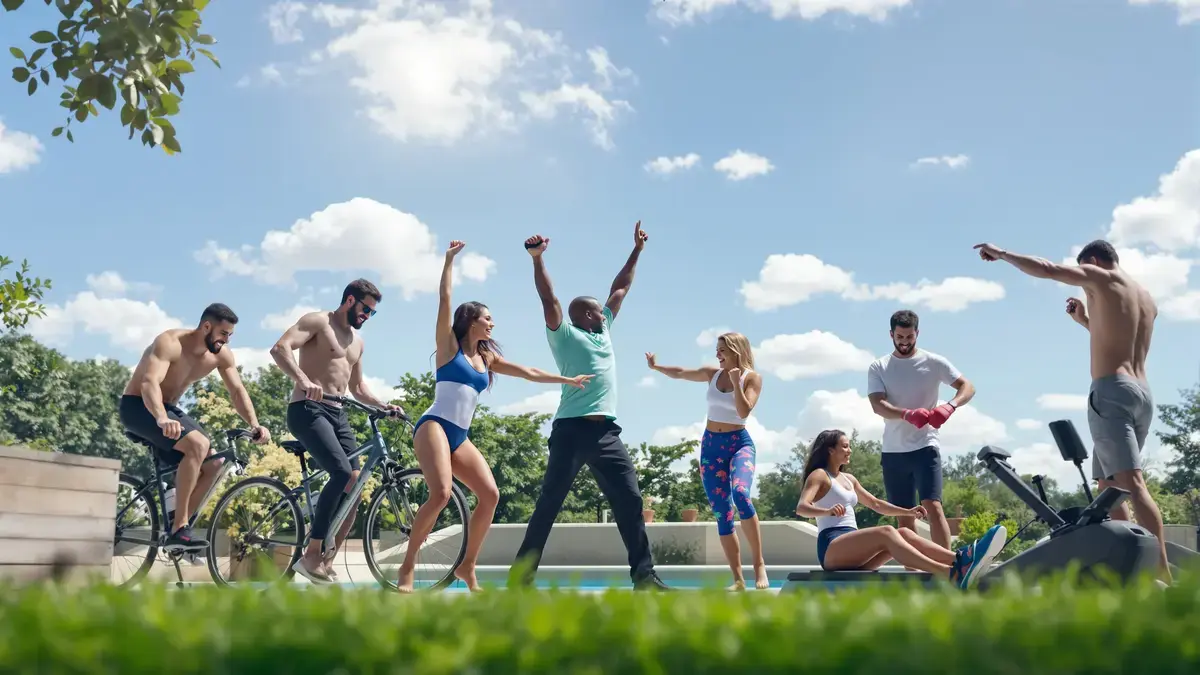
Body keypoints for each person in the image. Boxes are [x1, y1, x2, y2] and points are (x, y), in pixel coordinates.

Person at [396, 241, 595, 593]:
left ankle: (466, 566)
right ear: (470, 320)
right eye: (487, 318)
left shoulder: (487, 359)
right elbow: (444, 299)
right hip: (434, 426)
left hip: (460, 435)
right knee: (441, 493)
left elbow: (530, 371)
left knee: (490, 496)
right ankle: (407, 566)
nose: (492, 324)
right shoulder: (448, 347)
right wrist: (448, 261)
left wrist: (567, 379)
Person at [975, 239, 1172, 582]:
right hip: (1140, 393)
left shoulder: (1101, 276)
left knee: (1132, 484)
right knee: (1108, 486)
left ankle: (1163, 574)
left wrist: (1003, 254)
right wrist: (1085, 320)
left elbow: (1048, 269)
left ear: (1093, 261)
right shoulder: (1144, 297)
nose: (1084, 280)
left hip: (1111, 391)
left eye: (1085, 272)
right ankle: (1128, 568)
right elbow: (1117, 337)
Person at [508, 221, 669, 591]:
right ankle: (521, 579)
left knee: (629, 499)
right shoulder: (564, 334)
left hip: (607, 432)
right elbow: (549, 300)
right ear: (583, 316)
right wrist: (537, 261)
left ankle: (644, 577)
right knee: (549, 503)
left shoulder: (604, 330)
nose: (604, 313)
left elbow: (620, 289)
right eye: (597, 311)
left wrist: (637, 251)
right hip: (571, 430)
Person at [271, 279, 404, 583]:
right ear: (349, 300)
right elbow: (280, 349)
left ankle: (326, 559)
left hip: (338, 413)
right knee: (342, 474)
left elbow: (357, 388)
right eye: (365, 309)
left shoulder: (357, 342)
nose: (367, 316)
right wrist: (304, 380)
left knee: (356, 486)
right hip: (307, 408)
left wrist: (385, 406)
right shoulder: (318, 321)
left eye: (372, 313)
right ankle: (311, 554)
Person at [119, 303, 271, 551]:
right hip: (139, 407)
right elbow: (149, 383)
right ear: (206, 326)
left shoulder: (220, 355)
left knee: (214, 465)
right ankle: (179, 528)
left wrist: (254, 424)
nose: (226, 341)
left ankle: (177, 526)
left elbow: (236, 391)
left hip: (168, 410)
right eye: (223, 334)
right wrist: (160, 418)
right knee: (198, 444)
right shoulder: (170, 342)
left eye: (230, 336)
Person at [795, 429, 1006, 588]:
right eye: (845, 446)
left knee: (904, 532)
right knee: (887, 532)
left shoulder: (849, 479)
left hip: (853, 550)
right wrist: (827, 511)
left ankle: (961, 559)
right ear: (830, 450)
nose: (849, 450)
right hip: (832, 548)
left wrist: (908, 512)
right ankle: (948, 574)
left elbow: (876, 504)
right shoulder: (820, 475)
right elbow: (802, 508)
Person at [645, 332, 768, 591]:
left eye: (722, 350)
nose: (717, 355)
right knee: (723, 513)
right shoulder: (712, 374)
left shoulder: (751, 378)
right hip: (711, 448)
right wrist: (656, 367)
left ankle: (759, 566)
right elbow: (681, 372)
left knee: (742, 495)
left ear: (736, 350)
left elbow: (744, 411)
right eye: (717, 350)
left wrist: (736, 382)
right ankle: (738, 579)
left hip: (739, 444)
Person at [866, 309, 975, 551]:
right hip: (893, 451)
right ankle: (914, 572)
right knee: (904, 516)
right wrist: (907, 413)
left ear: (917, 333)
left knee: (933, 506)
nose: (904, 342)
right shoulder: (879, 366)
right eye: (900, 337)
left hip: (926, 446)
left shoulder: (934, 362)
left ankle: (948, 568)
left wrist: (950, 406)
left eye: (909, 337)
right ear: (891, 334)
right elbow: (877, 404)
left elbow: (967, 386)